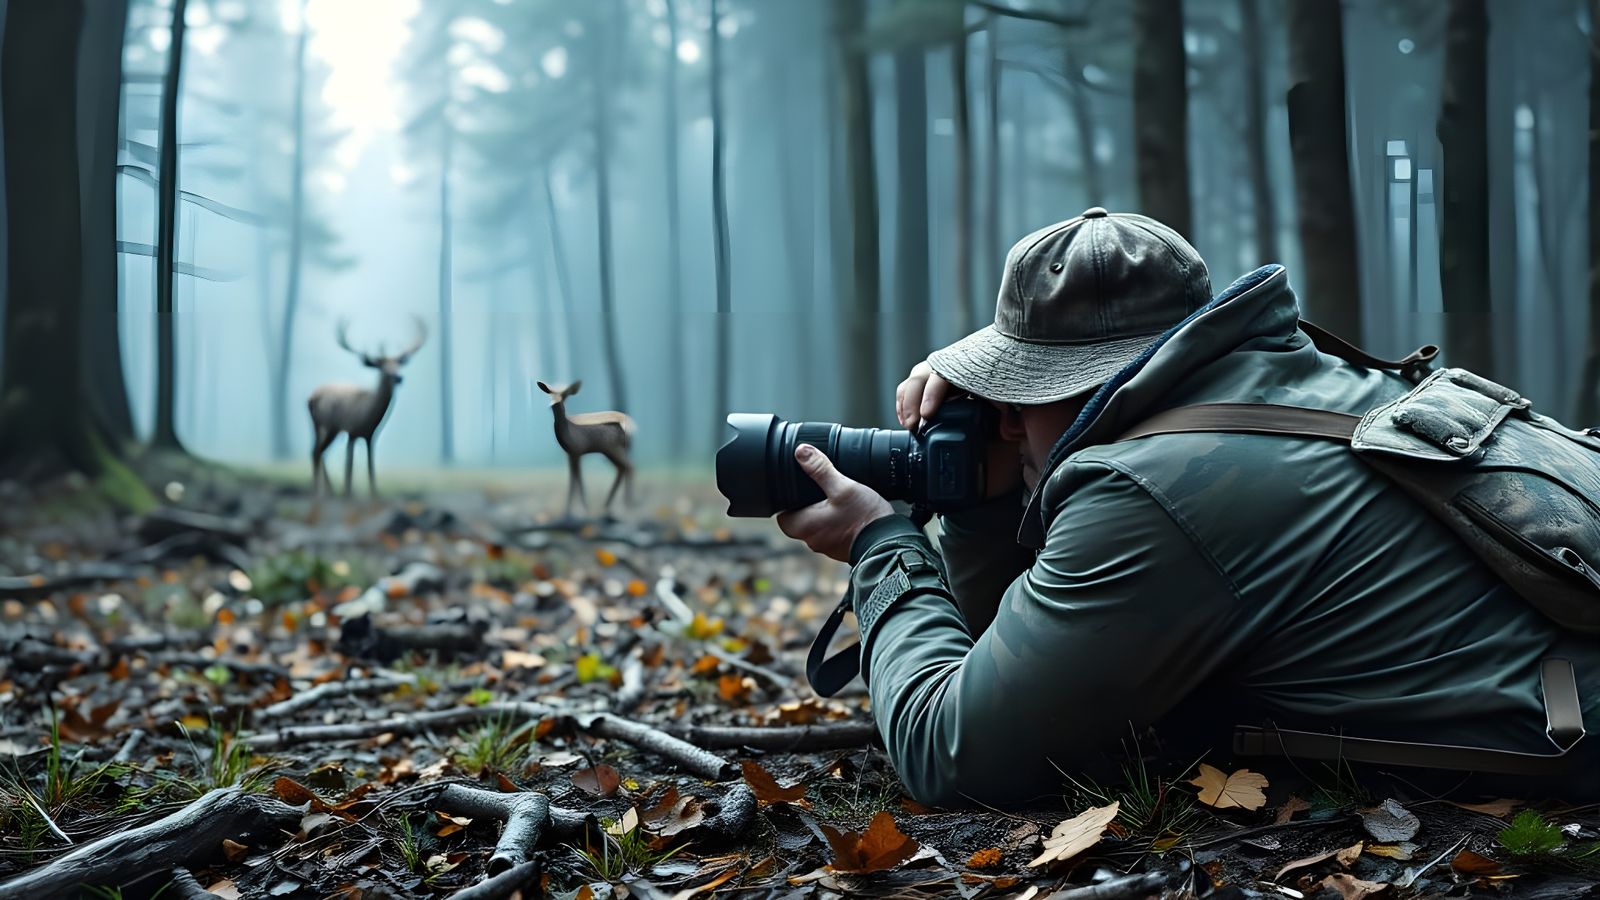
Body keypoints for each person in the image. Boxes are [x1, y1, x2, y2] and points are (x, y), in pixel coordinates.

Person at [773, 207, 1600, 808]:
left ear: (1097, 383)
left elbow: (949, 751)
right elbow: (1024, 667)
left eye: (1020, 394)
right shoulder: (1307, 383)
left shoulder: (1155, 487)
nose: (1006, 417)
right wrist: (984, 502)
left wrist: (882, 542)